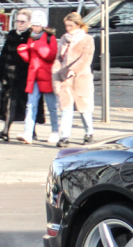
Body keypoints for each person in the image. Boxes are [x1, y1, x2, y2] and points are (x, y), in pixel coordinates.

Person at [54, 13, 96, 146]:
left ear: (78, 25)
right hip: (64, 77)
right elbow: (58, 58)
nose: (68, 28)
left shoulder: (87, 39)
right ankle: (64, 136)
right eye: (66, 26)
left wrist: (74, 70)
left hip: (81, 78)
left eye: (71, 26)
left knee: (84, 108)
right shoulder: (64, 39)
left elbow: (86, 58)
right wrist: (56, 71)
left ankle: (89, 132)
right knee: (66, 107)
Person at [18, 10, 59, 145]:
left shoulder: (49, 38)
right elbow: (31, 58)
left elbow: (51, 56)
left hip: (46, 75)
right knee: (31, 105)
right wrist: (24, 52)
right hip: (34, 75)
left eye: (37, 25)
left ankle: (55, 131)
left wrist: (38, 46)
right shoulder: (31, 37)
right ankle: (28, 132)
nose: (34, 27)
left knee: (51, 106)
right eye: (33, 25)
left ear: (43, 25)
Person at [0, 9, 32, 141]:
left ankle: (31, 130)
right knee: (10, 102)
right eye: (17, 21)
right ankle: (5, 130)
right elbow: (3, 55)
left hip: (26, 76)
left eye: (22, 21)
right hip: (10, 76)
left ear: (29, 22)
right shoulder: (11, 35)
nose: (19, 24)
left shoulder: (31, 36)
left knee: (28, 104)